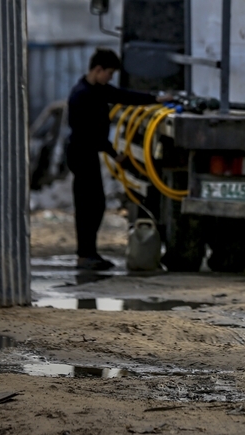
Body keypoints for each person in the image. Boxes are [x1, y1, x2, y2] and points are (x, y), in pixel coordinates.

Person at [66, 48, 171, 270]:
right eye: (109, 73)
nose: (110, 78)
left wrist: (156, 99)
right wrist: (114, 154)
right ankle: (85, 255)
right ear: (98, 70)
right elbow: (89, 134)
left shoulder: (96, 90)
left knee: (94, 205)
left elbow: (124, 96)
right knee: (89, 206)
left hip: (87, 153)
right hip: (81, 154)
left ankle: (88, 253)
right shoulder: (81, 95)